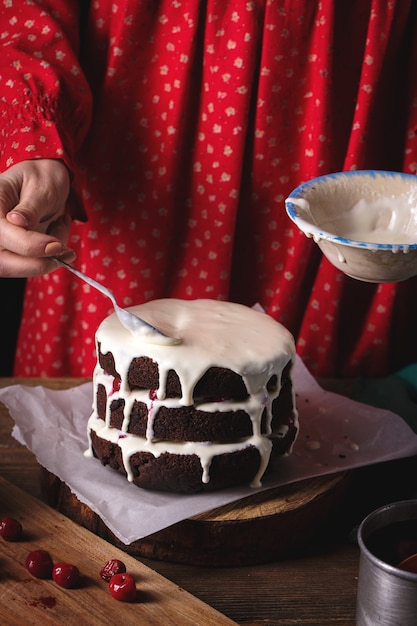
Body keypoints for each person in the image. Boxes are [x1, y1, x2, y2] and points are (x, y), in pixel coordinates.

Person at [0, 0, 416, 379]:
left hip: (346, 135)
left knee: (335, 416)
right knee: (110, 384)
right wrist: (34, 140)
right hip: (134, 152)